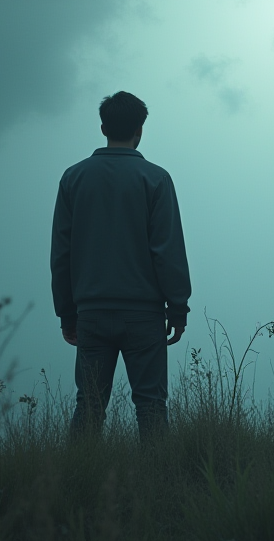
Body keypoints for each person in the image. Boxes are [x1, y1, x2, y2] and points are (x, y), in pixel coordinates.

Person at [51, 91, 191, 440]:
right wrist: (178, 307)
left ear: (103, 128)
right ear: (140, 130)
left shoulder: (73, 178)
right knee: (151, 406)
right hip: (144, 314)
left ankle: (77, 489)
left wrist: (67, 313)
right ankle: (160, 489)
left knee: (89, 406)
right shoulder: (156, 179)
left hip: (92, 312)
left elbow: (61, 254)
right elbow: (167, 250)